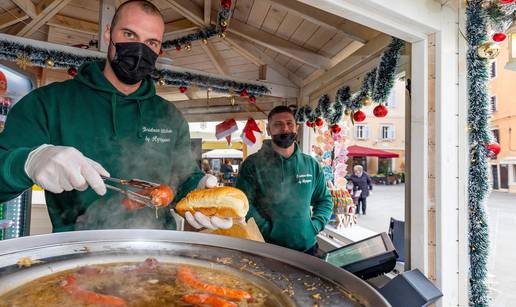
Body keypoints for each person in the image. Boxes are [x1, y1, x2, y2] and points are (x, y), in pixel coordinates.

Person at [0, 0, 234, 232]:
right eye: (130, 34)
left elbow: (183, 178)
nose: (140, 49)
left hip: (159, 253)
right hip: (77, 254)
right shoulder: (48, 103)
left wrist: (198, 188)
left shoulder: (169, 115)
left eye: (151, 42)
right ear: (107, 34)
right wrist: (27, 163)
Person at [235, 106, 333, 255]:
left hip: (308, 248)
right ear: (268, 130)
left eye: (289, 124)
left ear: (297, 128)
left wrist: (315, 225)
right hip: (267, 250)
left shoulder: (311, 164)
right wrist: (268, 230)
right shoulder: (252, 164)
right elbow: (242, 205)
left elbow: (324, 200)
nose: (285, 129)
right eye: (278, 124)